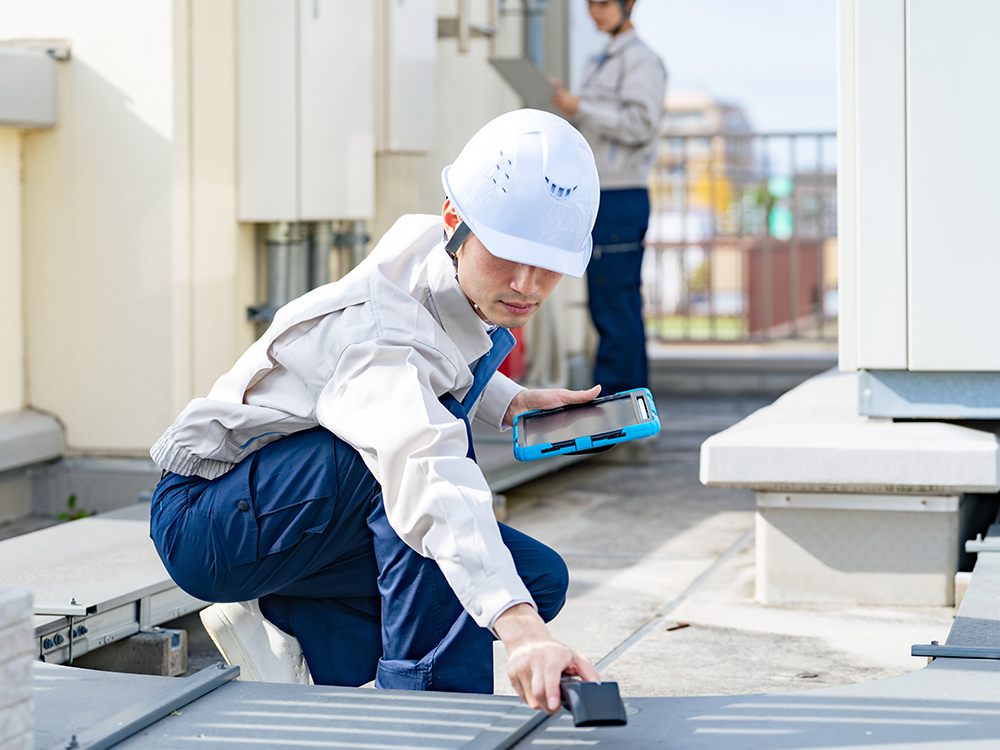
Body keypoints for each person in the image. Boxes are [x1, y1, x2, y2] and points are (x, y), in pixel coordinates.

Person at [148, 109, 603, 714]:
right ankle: (423, 715)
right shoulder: (381, 336)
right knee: (413, 482)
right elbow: (421, 455)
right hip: (209, 519)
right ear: (455, 221)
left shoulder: (436, 256)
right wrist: (523, 634)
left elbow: (430, 351)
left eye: (548, 263)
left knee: (536, 579)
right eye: (507, 254)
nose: (527, 283)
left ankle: (296, 633)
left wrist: (509, 400)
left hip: (290, 515)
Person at [552, 0, 666, 397]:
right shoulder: (598, 60)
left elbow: (641, 124)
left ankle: (624, 406)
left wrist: (581, 107)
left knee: (617, 305)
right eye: (590, 3)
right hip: (598, 193)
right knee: (605, 304)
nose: (594, 11)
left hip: (621, 193)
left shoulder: (641, 60)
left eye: (603, 3)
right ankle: (620, 406)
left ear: (628, 4)